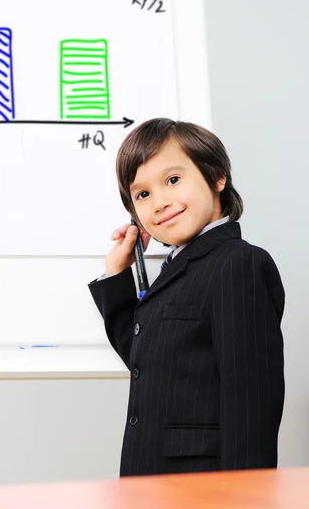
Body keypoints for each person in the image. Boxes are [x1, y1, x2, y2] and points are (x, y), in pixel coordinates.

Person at [88, 118, 285, 477]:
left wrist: (245, 498)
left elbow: (251, 402)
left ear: (216, 176)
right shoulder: (176, 269)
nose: (159, 202)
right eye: (142, 194)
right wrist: (118, 274)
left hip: (202, 486)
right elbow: (142, 357)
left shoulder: (237, 263)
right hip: (148, 479)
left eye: (173, 180)